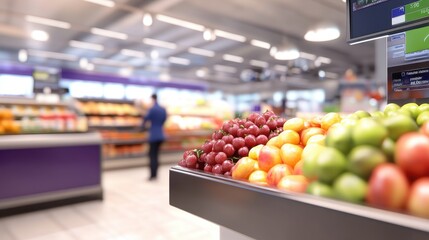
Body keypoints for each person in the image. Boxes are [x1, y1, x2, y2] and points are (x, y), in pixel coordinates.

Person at [141, 94, 167, 181]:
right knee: (157, 155)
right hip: (161, 134)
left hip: (153, 135)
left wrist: (142, 127)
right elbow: (164, 119)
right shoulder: (162, 109)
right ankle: (156, 174)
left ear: (152, 99)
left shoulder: (151, 109)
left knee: (152, 155)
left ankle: (152, 175)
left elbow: (145, 119)